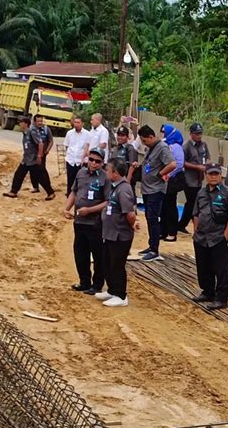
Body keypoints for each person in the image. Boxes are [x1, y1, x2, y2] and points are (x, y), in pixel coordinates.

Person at [192, 163, 228, 310]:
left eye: (216, 174)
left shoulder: (227, 194)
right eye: (210, 174)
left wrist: (225, 237)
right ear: (206, 175)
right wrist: (196, 231)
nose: (213, 177)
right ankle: (208, 292)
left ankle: (221, 299)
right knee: (203, 267)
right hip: (201, 237)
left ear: (220, 175)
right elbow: (195, 213)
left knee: (221, 270)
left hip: (217, 238)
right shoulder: (201, 192)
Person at [63, 147, 110, 294]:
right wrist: (66, 208)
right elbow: (74, 191)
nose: (93, 163)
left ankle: (97, 285)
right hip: (79, 222)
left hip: (95, 223)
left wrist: (89, 210)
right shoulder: (81, 173)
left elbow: (108, 201)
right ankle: (84, 281)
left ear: (102, 163)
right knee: (80, 253)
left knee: (97, 255)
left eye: (97, 161)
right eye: (91, 159)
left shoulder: (105, 177)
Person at [95, 158, 138, 307]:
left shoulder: (124, 189)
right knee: (107, 262)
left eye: (108, 170)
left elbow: (130, 213)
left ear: (116, 173)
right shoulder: (115, 186)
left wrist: (134, 224)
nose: (106, 172)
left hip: (120, 235)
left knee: (117, 265)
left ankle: (121, 295)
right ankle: (112, 290)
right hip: (110, 233)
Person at [137, 125, 176, 261]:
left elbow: (172, 164)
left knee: (153, 219)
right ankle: (151, 245)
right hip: (147, 189)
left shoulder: (162, 147)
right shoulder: (152, 148)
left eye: (145, 140)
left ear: (151, 137)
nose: (144, 143)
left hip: (155, 189)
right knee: (149, 218)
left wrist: (160, 174)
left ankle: (154, 249)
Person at [3, 116, 55, 200]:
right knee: (18, 175)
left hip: (33, 160)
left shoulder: (32, 131)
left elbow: (40, 144)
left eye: (21, 122)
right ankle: (13, 191)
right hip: (26, 159)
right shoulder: (25, 132)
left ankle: (50, 192)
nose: (19, 124)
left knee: (40, 177)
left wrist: (39, 156)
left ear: (26, 124)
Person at [178, 122, 210, 234]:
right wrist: (196, 167)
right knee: (193, 202)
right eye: (197, 134)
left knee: (192, 203)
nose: (199, 136)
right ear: (191, 134)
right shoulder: (186, 146)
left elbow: (206, 158)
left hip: (199, 179)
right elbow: (182, 162)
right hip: (189, 179)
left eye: (200, 133)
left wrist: (206, 167)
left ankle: (182, 224)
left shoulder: (203, 145)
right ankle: (186, 224)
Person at [159, 124, 185, 242]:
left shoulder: (175, 147)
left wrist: (168, 174)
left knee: (170, 206)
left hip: (173, 180)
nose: (162, 134)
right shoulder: (166, 145)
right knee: (163, 206)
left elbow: (179, 164)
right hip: (166, 179)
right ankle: (163, 231)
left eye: (163, 132)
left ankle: (172, 232)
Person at [63, 116, 90, 197]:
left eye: (78, 122)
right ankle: (69, 195)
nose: (76, 124)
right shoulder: (69, 133)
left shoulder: (87, 134)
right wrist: (69, 155)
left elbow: (88, 147)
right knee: (70, 179)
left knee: (81, 179)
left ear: (82, 123)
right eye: (75, 122)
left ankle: (79, 196)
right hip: (70, 160)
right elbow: (67, 146)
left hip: (81, 161)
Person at [30, 114, 54, 193]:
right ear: (34, 122)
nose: (40, 123)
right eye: (38, 121)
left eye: (41, 121)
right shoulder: (32, 130)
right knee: (33, 170)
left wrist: (47, 150)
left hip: (43, 154)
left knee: (42, 170)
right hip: (33, 154)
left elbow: (51, 141)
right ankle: (35, 187)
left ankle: (48, 186)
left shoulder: (46, 129)